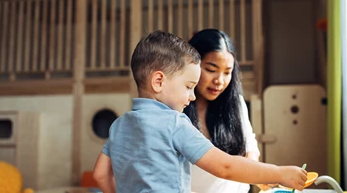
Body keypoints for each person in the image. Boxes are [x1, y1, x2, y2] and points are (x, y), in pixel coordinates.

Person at [92, 30, 307, 193]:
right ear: (158, 81)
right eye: (188, 86)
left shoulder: (119, 124)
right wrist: (280, 173)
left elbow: (100, 175)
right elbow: (225, 166)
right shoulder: (175, 123)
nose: (192, 95)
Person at [184, 28, 274, 193]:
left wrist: (260, 176)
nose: (219, 81)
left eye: (227, 72)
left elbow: (249, 149)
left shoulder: (235, 104)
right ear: (192, 65)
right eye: (211, 70)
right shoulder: (176, 107)